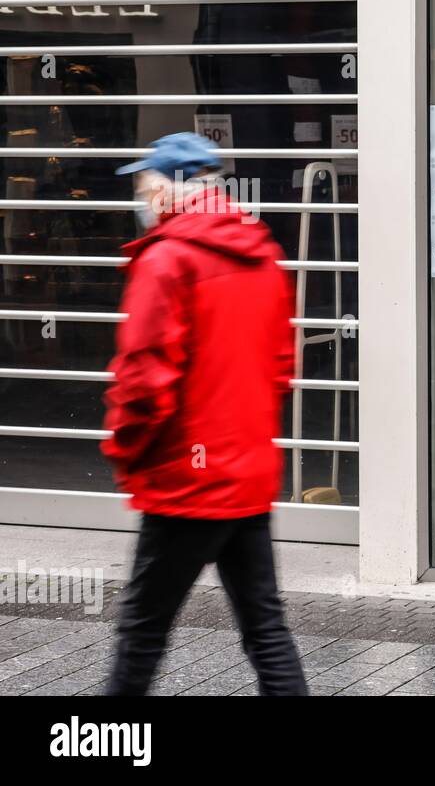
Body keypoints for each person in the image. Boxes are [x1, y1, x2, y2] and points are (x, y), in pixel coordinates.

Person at [101, 133, 308, 696]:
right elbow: (281, 364)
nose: (142, 197)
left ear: (172, 187)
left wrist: (125, 450)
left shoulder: (167, 259)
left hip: (187, 482)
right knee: (265, 629)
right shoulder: (262, 251)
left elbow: (145, 375)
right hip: (245, 473)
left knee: (141, 632)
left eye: (146, 185)